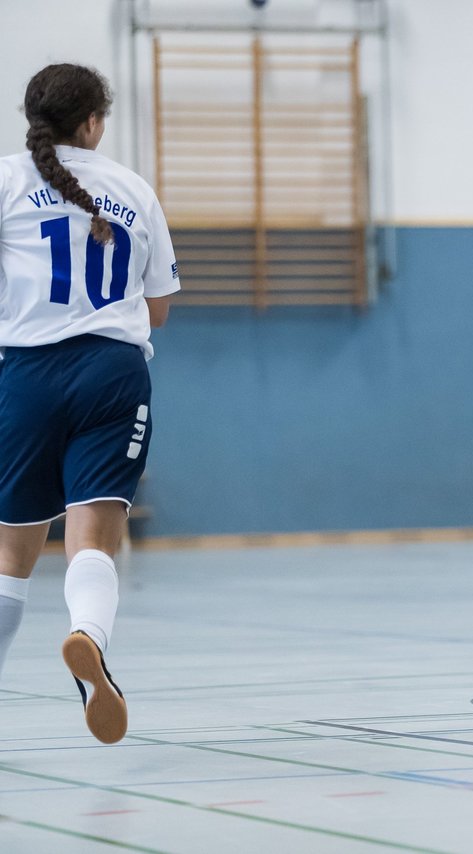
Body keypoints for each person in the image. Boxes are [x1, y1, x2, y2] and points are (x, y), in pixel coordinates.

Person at [0, 64, 180, 744]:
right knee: (93, 541)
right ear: (95, 121)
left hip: (26, 371)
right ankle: (87, 636)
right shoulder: (132, 189)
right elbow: (158, 309)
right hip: (113, 371)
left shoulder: (8, 180)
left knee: (10, 557)